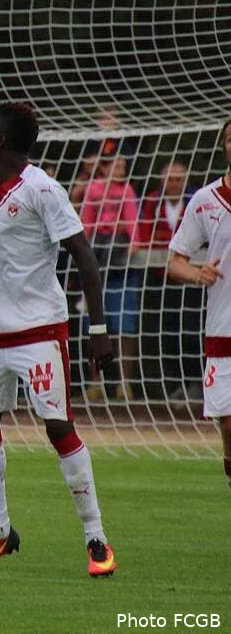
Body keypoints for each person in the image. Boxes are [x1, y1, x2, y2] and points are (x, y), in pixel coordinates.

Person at [0, 102, 118, 578]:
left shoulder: (43, 189)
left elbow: (84, 256)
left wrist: (98, 330)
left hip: (40, 329)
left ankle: (96, 539)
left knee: (57, 428)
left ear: (4, 142)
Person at [166, 119, 231, 490]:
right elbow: (175, 262)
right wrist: (197, 274)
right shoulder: (205, 201)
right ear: (223, 146)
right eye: (230, 138)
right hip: (222, 328)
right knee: (228, 424)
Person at [136, 161, 203, 403]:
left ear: (185, 180)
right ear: (162, 181)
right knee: (166, 331)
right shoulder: (153, 201)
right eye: (170, 179)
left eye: (178, 179)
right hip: (160, 278)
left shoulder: (196, 199)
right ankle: (175, 384)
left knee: (191, 329)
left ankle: (197, 382)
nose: (174, 184)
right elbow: (144, 232)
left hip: (190, 278)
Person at [78, 152, 142, 401]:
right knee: (95, 323)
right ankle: (95, 384)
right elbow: (87, 221)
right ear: (104, 168)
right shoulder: (93, 189)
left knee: (124, 325)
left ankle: (124, 384)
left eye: (124, 165)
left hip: (118, 253)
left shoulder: (126, 190)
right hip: (98, 247)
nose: (121, 169)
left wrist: (135, 241)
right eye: (117, 165)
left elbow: (131, 218)